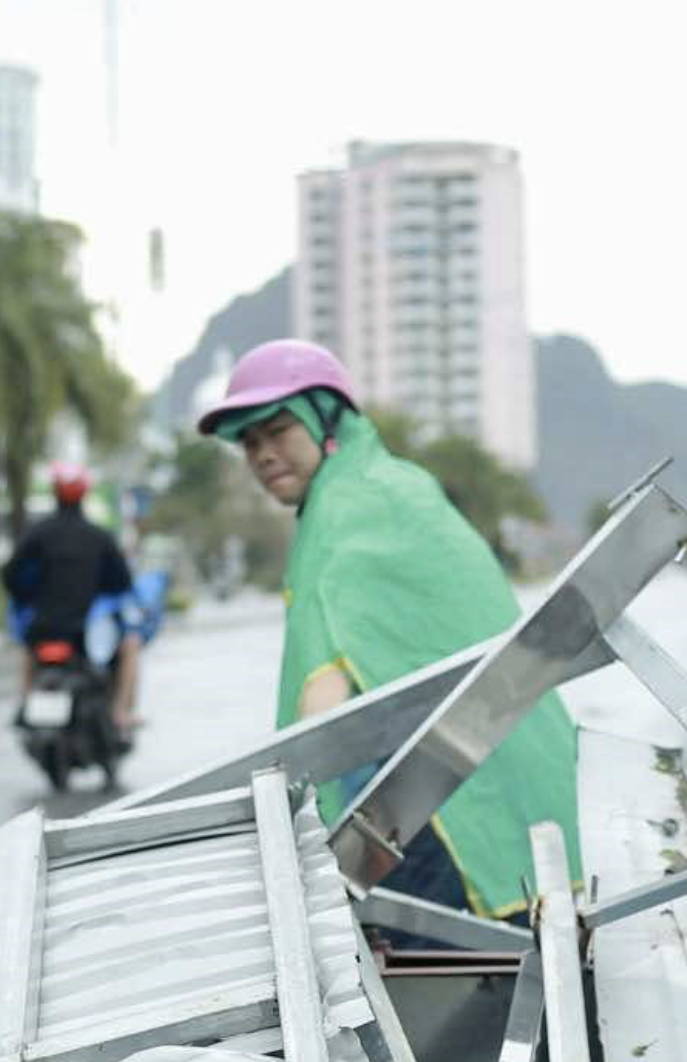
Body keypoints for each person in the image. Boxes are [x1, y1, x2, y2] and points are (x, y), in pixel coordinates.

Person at [199, 339, 580, 918]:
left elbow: (323, 688)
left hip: (452, 800)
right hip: (484, 771)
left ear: (328, 421)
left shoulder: (352, 504)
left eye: (278, 431)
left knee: (425, 979)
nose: (263, 455)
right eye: (250, 443)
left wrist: (288, 821)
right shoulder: (381, 484)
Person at [3, 462, 138, 736]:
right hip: (86, 634)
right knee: (131, 645)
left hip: (42, 628)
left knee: (28, 650)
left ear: (55, 492)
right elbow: (123, 582)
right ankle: (121, 713)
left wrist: (28, 596)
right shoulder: (99, 536)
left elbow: (10, 575)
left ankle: (25, 703)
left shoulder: (37, 533)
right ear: (84, 493)